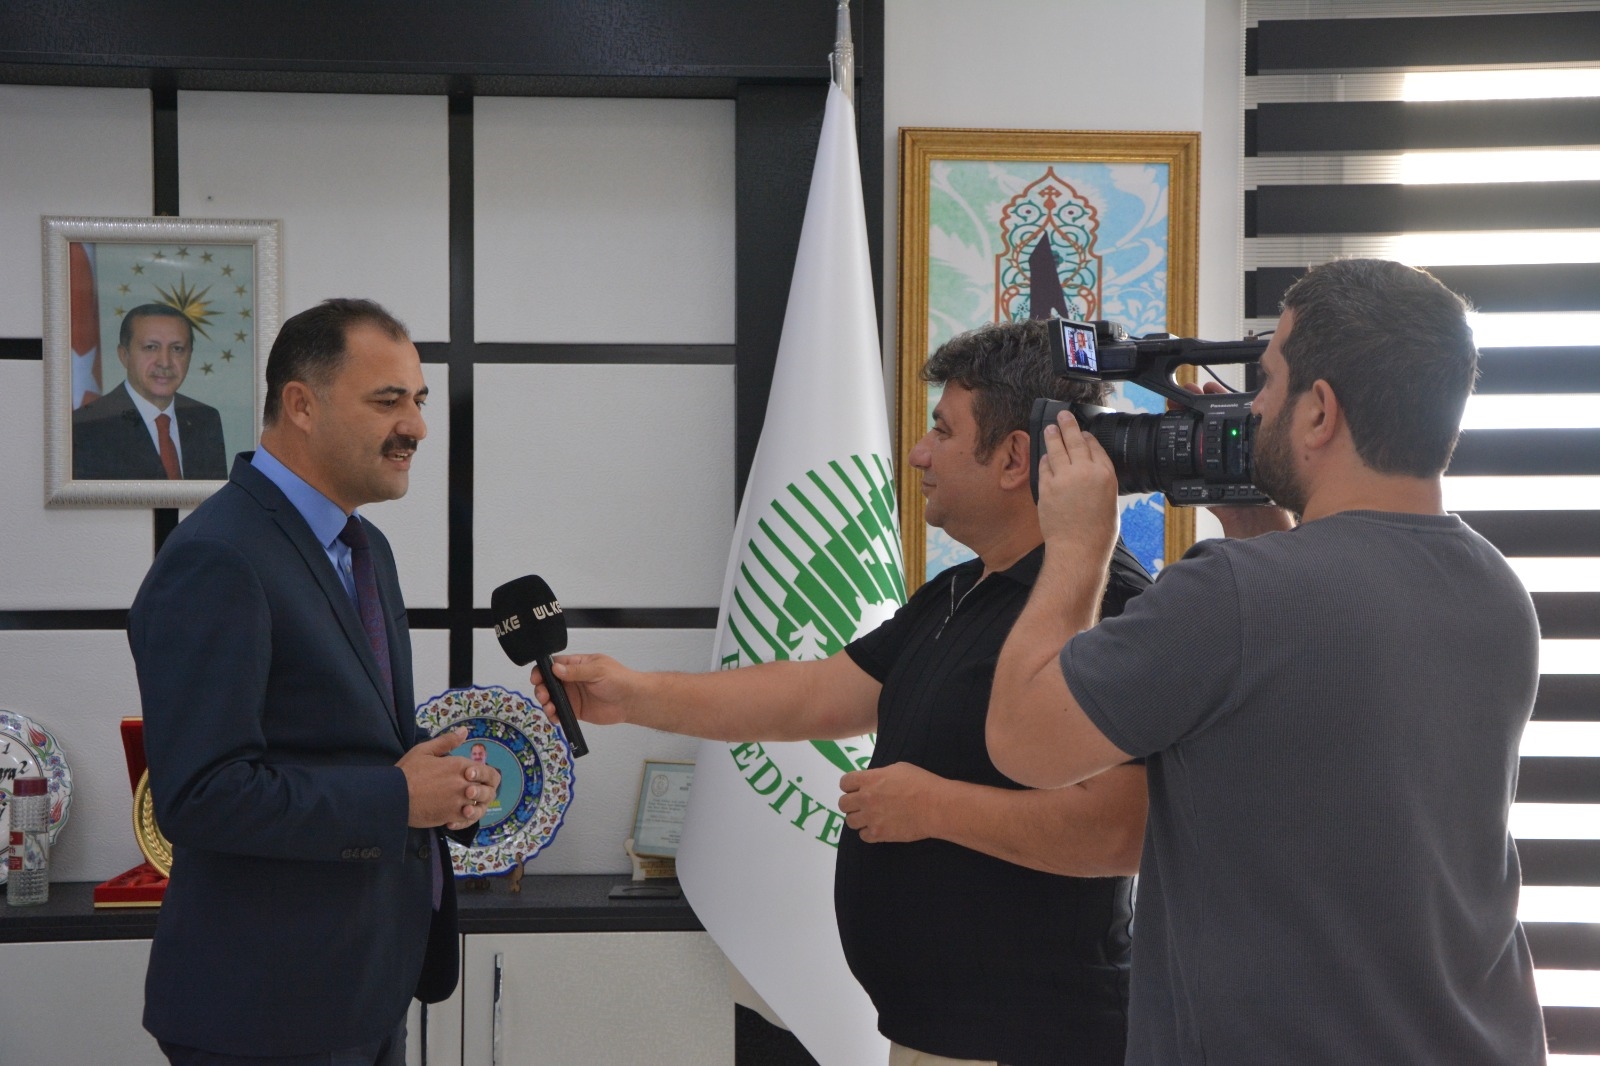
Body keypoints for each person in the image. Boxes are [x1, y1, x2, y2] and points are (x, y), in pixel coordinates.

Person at [532, 319, 1152, 1066]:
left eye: (942, 430)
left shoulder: (1114, 604)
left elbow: (1117, 832)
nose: (919, 453)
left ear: (1014, 458)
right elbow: (814, 695)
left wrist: (934, 807)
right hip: (930, 1033)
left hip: (1033, 1039)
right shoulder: (957, 590)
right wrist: (633, 696)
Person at [987, 259, 1547, 1064]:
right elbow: (1323, 733)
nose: (1251, 408)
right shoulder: (1497, 590)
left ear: (1319, 412)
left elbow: (1023, 740)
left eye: (1270, 381)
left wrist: (1078, 544)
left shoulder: (1234, 595)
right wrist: (1258, 527)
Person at [130, 298, 501, 1065]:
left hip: (365, 993)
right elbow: (200, 796)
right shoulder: (217, 556)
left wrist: (445, 786)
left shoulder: (366, 549)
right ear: (301, 404)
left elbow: (348, 740)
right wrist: (399, 798)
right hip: (268, 1015)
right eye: (388, 400)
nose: (416, 426)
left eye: (419, 400)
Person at [72, 304, 228, 480]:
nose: (165, 362)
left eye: (177, 349)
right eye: (151, 347)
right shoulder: (86, 427)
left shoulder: (206, 420)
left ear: (190, 356)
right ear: (124, 355)